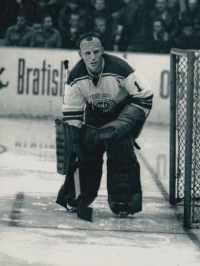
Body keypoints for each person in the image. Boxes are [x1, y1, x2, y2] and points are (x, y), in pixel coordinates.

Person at [56, 32, 153, 216]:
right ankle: (76, 196)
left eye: (96, 52)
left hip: (120, 114)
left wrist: (123, 123)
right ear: (80, 55)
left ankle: (123, 201)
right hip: (93, 116)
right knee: (85, 154)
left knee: (122, 153)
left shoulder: (121, 68)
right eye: (87, 54)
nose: (92, 57)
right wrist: (74, 142)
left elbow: (145, 95)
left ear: (103, 51)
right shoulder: (75, 76)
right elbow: (72, 112)